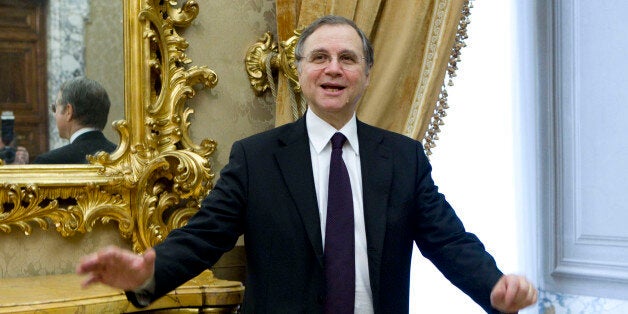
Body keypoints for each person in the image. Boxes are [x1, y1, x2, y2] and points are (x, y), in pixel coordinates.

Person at [77, 16, 537, 313]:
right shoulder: (256, 158)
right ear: (300, 72)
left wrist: (494, 287)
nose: (333, 68)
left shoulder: (402, 158)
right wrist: (147, 272)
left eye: (347, 59)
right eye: (320, 57)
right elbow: (204, 234)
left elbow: (448, 240)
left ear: (366, 76)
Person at [32, 77, 116, 164]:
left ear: (69, 111)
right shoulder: (123, 157)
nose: (54, 115)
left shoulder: (49, 162)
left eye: (55, 108)